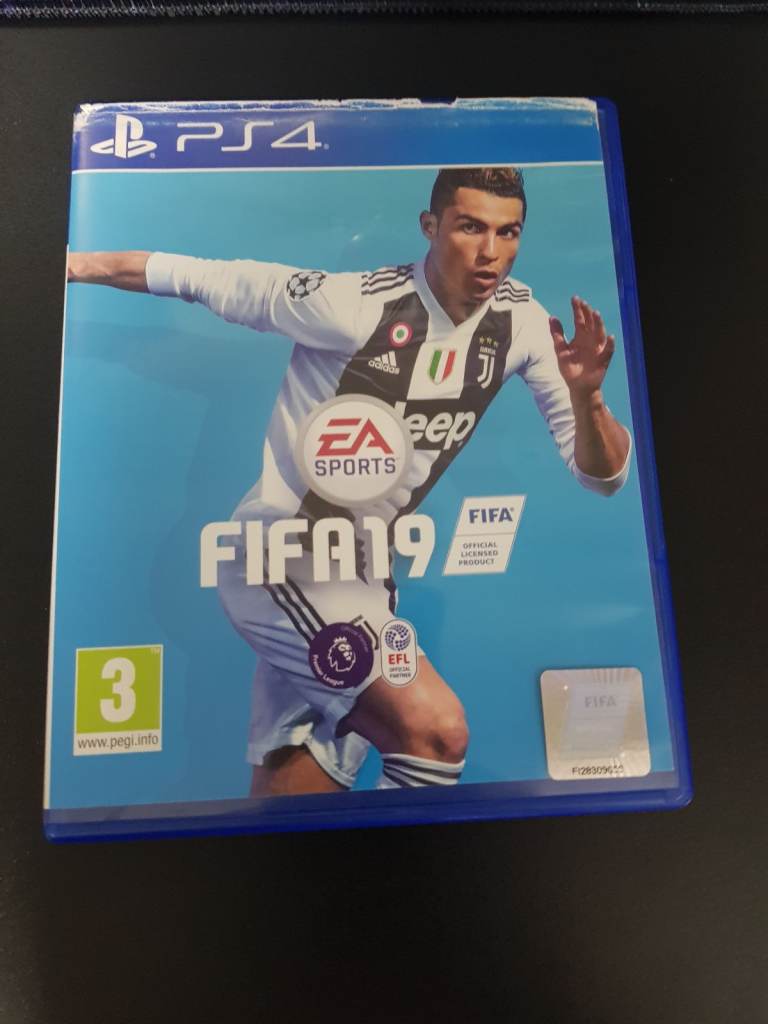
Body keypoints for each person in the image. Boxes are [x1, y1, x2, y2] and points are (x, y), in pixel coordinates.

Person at [67, 166, 631, 798]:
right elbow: (198, 276)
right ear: (430, 226)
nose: (490, 251)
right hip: (282, 559)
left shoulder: (523, 322)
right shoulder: (352, 304)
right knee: (436, 733)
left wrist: (588, 398)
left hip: (363, 576)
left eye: (509, 232)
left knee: (297, 796)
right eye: (470, 227)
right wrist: (70, 264)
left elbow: (603, 476)